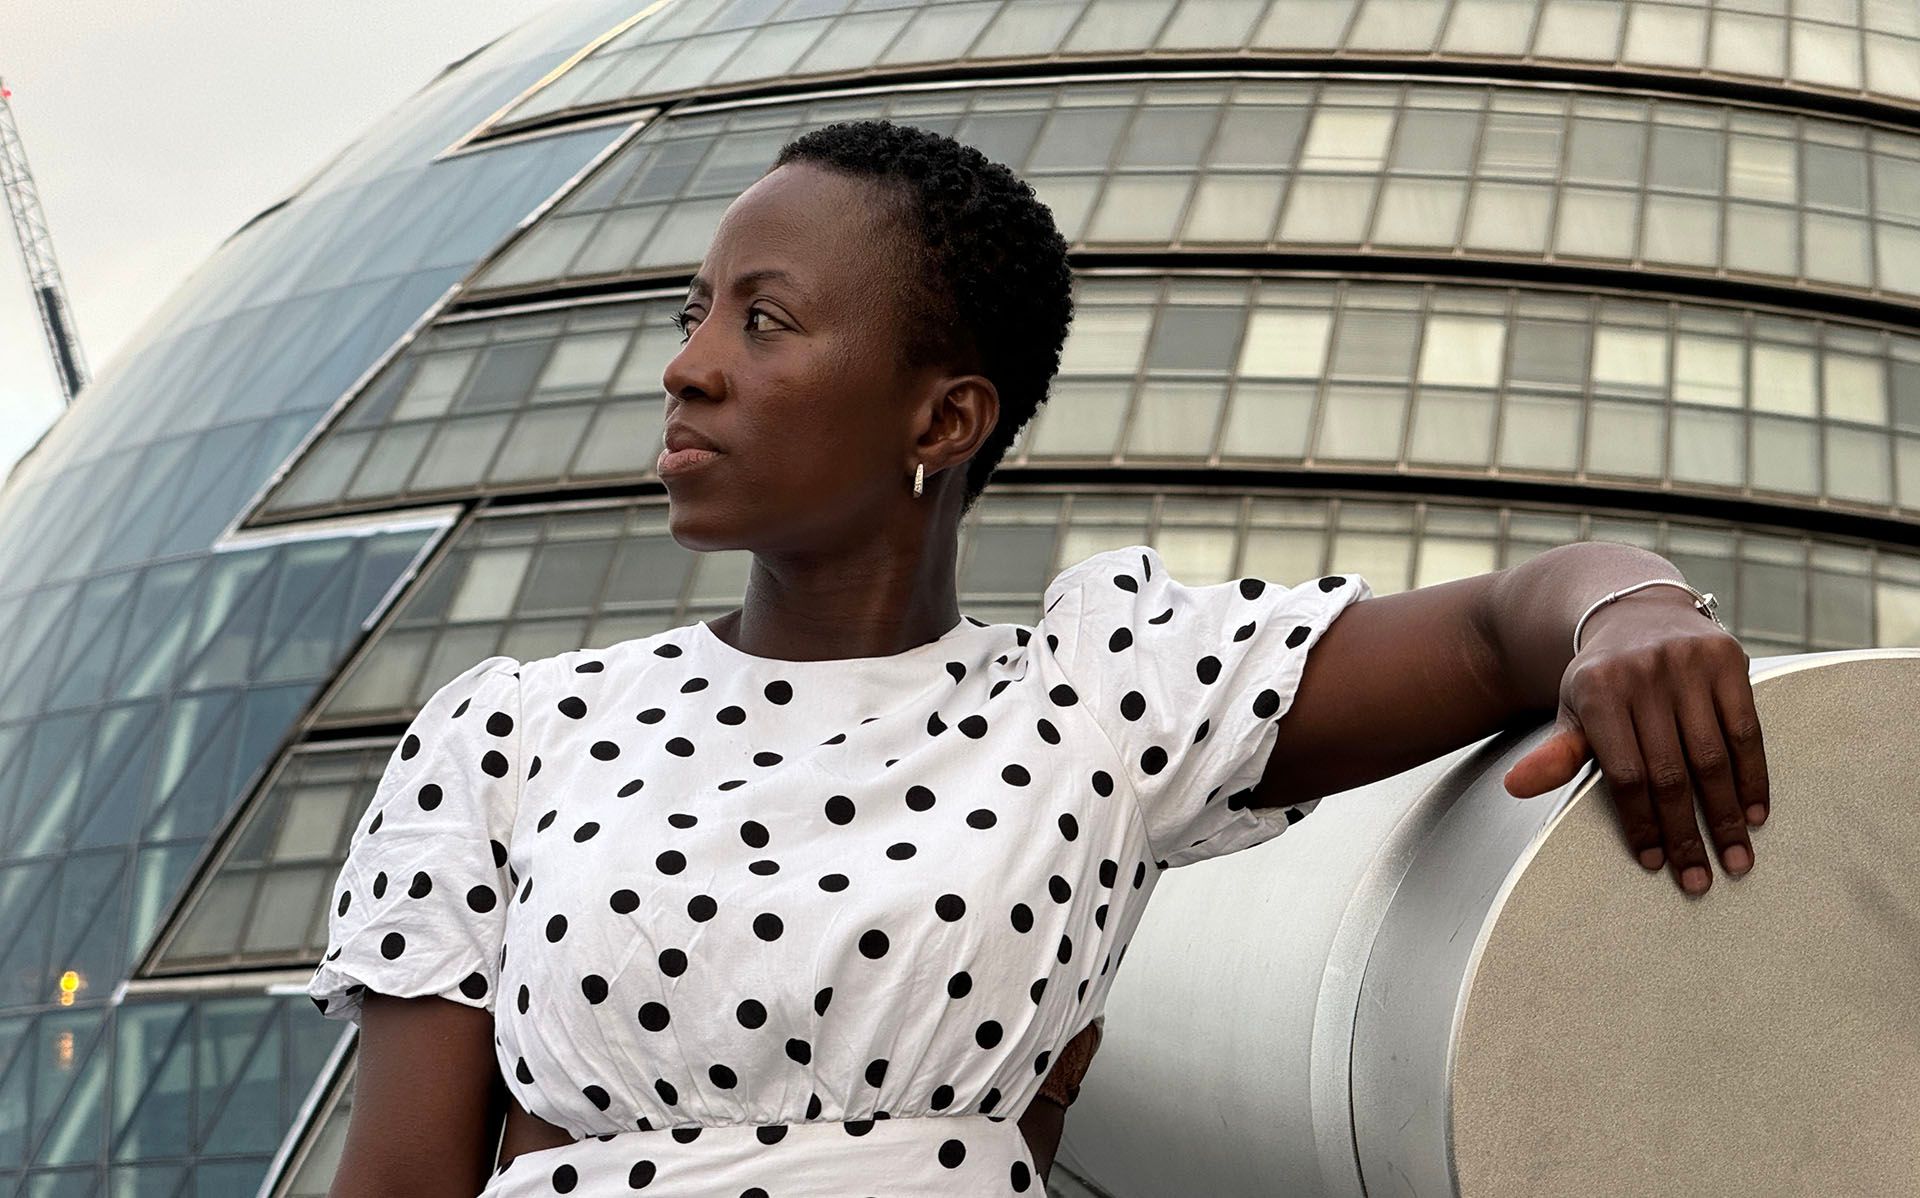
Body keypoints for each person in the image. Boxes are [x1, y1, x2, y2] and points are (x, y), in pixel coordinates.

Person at [308, 118, 1768, 1197]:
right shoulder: (512, 729)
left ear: (942, 423)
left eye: (764, 320)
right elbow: (398, 1183)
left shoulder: (1094, 698)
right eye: (694, 313)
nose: (688, 363)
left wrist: (1633, 609)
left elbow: (1491, 621)